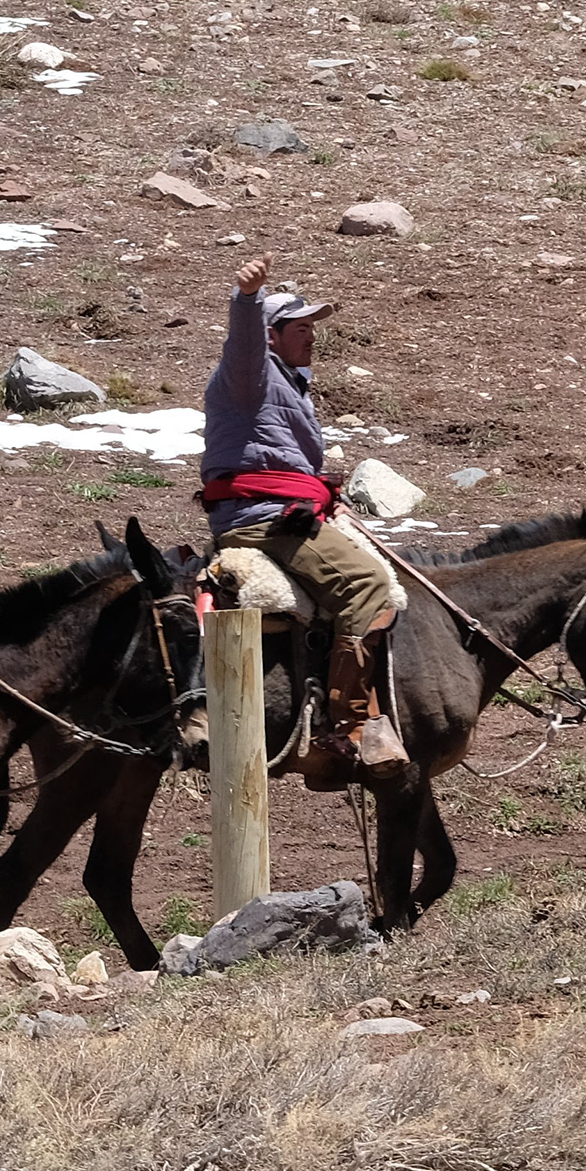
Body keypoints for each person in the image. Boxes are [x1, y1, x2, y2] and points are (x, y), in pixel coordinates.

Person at [199, 254, 408, 783]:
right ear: (271, 335)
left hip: (281, 508)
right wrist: (247, 300)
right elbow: (242, 345)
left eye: (312, 326)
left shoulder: (288, 383)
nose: (312, 336)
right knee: (365, 584)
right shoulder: (250, 374)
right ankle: (353, 725)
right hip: (261, 518)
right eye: (301, 327)